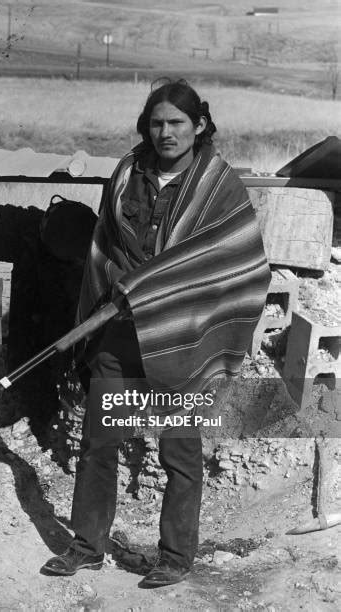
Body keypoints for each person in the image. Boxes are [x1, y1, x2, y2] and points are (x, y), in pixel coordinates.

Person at [42, 80, 271, 587]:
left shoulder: (219, 186)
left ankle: (174, 556)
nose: (166, 133)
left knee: (179, 450)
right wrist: (108, 302)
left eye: (177, 123)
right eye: (156, 123)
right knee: (98, 442)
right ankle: (86, 545)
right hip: (118, 332)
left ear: (201, 125)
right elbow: (105, 246)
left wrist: (158, 290)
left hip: (182, 339)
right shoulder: (126, 174)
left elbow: (240, 263)